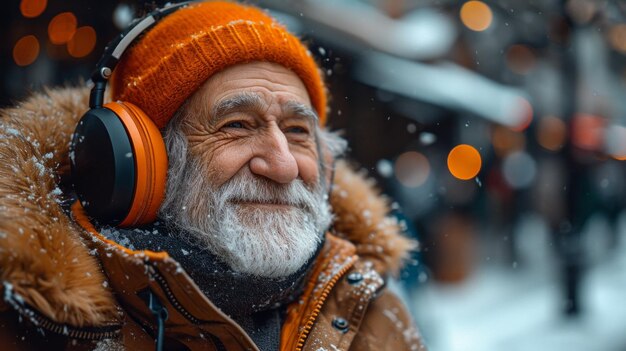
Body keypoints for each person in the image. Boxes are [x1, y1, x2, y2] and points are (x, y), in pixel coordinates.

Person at [0, 1, 425, 350]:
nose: (283, 166)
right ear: (143, 160)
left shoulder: (375, 315)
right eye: (237, 125)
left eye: (297, 132)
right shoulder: (28, 319)